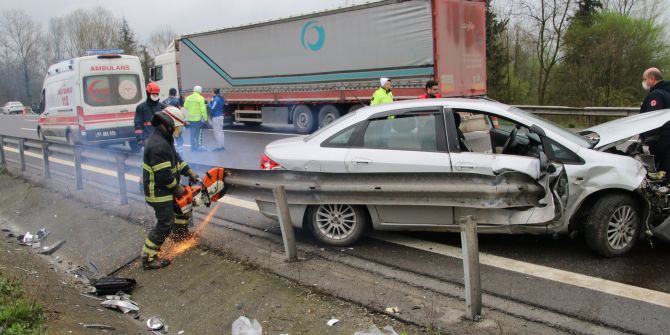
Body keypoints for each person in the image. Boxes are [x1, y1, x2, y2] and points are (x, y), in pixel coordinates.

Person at [140, 106, 199, 270]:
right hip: (158, 192)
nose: (179, 131)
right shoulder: (159, 145)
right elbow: (164, 175)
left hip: (166, 190)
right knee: (165, 223)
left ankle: (181, 237)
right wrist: (177, 188)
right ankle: (148, 258)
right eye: (178, 128)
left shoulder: (165, 139)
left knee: (182, 210)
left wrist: (188, 170)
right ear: (170, 124)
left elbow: (176, 159)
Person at [640, 67, 670, 172]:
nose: (644, 82)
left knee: (660, 172)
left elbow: (652, 120)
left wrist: (647, 141)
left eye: (645, 79)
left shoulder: (656, 95)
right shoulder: (667, 92)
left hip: (661, 140)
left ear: (652, 78)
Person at [134, 83, 166, 147]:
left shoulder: (162, 107)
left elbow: (167, 123)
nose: (155, 95)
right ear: (148, 93)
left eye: (156, 94)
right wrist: (140, 139)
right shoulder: (141, 107)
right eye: (153, 93)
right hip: (148, 139)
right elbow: (138, 124)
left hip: (161, 138)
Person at [183, 85, 208, 152]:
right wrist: (205, 119)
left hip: (190, 119)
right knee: (197, 134)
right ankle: (197, 147)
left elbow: (185, 106)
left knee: (192, 134)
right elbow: (203, 110)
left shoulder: (188, 98)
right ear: (200, 91)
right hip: (197, 120)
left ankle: (193, 148)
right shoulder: (201, 98)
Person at [162, 88, 184, 153]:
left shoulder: (163, 101)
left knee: (168, 138)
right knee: (178, 138)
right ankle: (180, 154)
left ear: (169, 93)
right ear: (175, 93)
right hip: (175, 123)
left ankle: (169, 153)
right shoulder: (176, 101)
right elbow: (178, 112)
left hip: (166, 123)